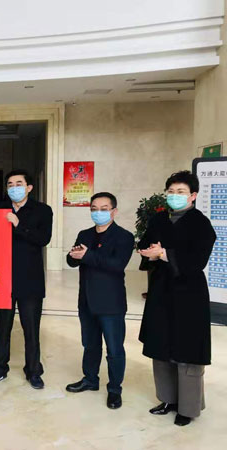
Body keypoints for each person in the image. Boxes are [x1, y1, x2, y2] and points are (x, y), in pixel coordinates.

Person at [138, 170, 216, 426]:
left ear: (192, 195)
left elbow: (197, 260)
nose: (174, 196)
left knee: (187, 352)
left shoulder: (201, 224)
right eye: (171, 192)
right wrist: (148, 252)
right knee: (160, 347)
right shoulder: (158, 219)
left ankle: (188, 408)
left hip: (189, 294)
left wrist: (164, 255)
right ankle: (168, 399)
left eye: (180, 192)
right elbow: (146, 244)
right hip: (161, 290)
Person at [0, 169, 53, 388]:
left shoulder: (43, 210)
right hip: (3, 277)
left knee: (30, 328)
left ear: (29, 188)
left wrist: (17, 224)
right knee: (2, 326)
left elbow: (43, 239)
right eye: (10, 185)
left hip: (30, 279)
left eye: (19, 184)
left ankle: (33, 370)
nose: (14, 188)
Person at [66, 192, 134, 409]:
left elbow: (117, 265)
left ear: (114, 211)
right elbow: (72, 261)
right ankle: (90, 379)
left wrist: (87, 256)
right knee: (90, 344)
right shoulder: (84, 234)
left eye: (104, 209)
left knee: (114, 349)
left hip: (111, 303)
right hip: (87, 300)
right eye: (94, 209)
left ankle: (114, 389)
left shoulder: (124, 237)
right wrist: (73, 255)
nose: (98, 213)